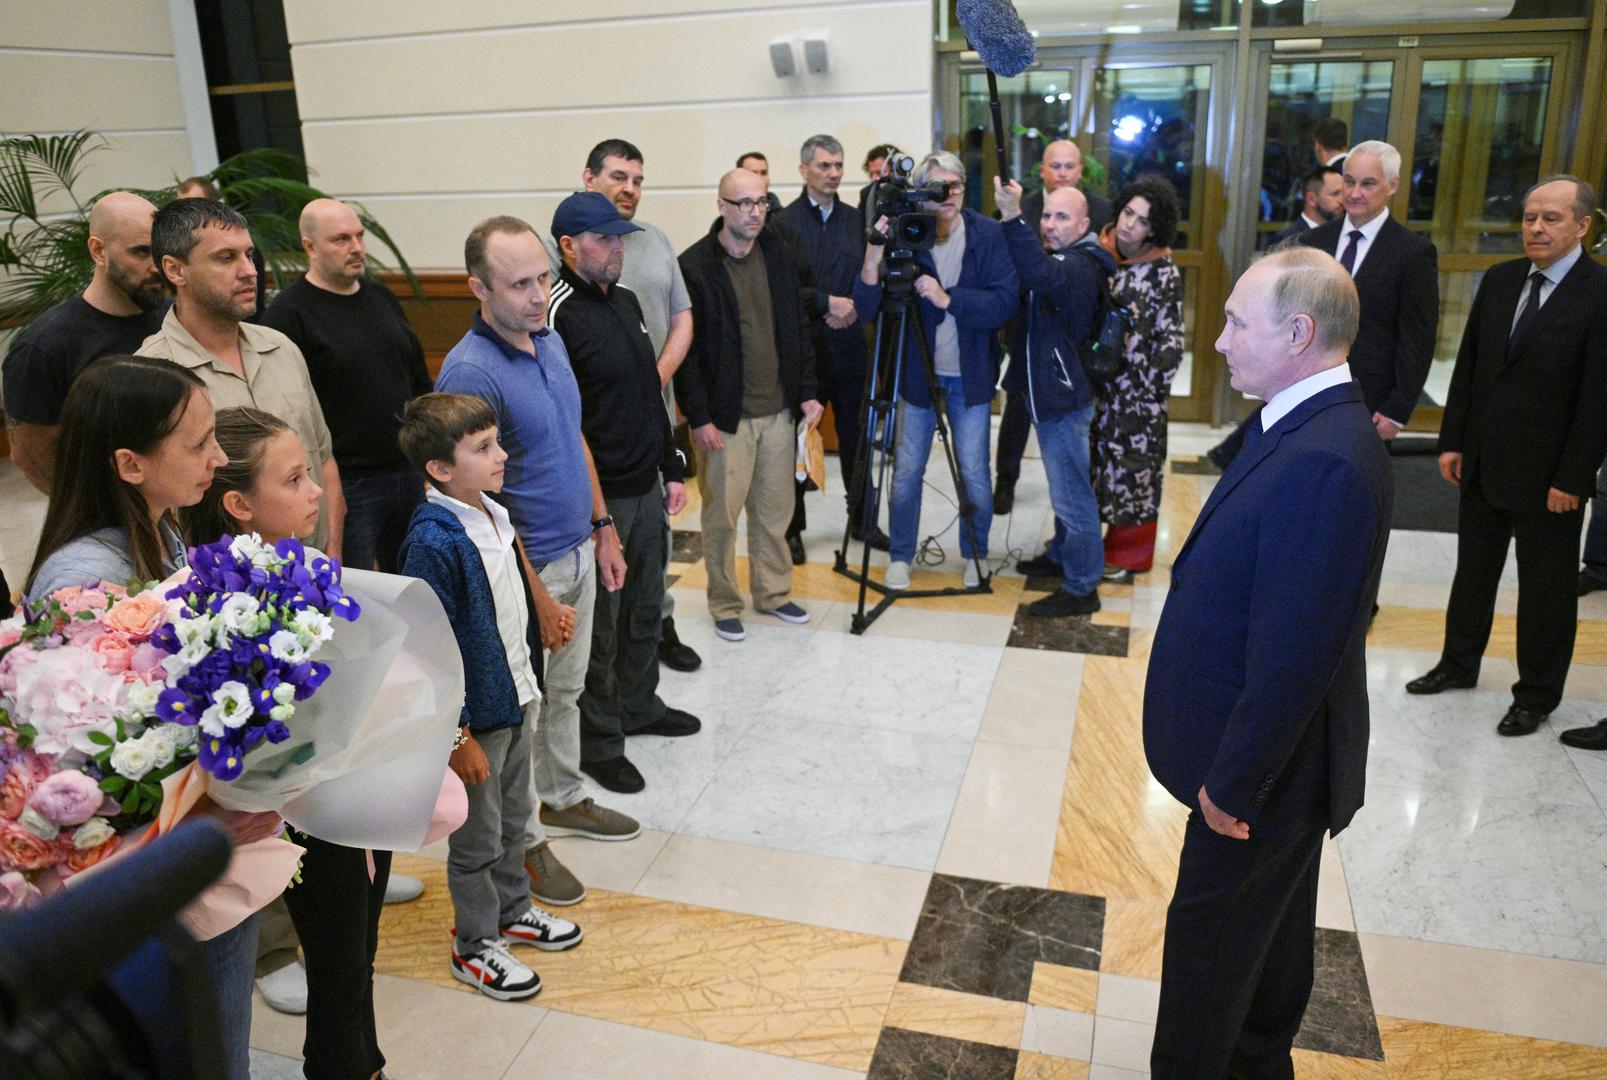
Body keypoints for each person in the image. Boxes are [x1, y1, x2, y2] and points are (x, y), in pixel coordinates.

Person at [1144, 247, 1391, 1078]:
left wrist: (1231, 787)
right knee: (1266, 946)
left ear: (1297, 331)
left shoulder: (1323, 458)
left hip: (1255, 785)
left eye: (1234, 323)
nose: (1215, 342)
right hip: (1264, 776)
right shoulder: (1298, 422)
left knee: (1207, 970)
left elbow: (1293, 656)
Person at [25, 354, 277, 1080]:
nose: (220, 458)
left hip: (196, 846)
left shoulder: (163, 532)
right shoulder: (81, 579)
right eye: (198, 445)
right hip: (143, 868)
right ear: (130, 464)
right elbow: (83, 772)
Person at [180, 406, 395, 1077]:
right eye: (295, 479)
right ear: (239, 504)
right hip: (293, 804)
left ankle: (364, 1056)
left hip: (344, 791)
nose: (315, 492)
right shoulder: (222, 600)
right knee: (337, 963)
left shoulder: (301, 566)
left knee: (357, 955)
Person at [434, 216, 639, 913]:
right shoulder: (470, 370)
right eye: (517, 283)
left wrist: (603, 527)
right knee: (518, 715)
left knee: (567, 691)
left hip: (577, 546)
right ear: (477, 286)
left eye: (542, 279)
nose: (534, 295)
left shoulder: (548, 339)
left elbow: (570, 435)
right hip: (524, 571)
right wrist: (539, 598)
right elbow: (479, 503)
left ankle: (564, 797)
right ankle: (522, 841)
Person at [1406, 176, 1607, 744]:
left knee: (1545, 591)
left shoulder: (1599, 294)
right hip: (1485, 461)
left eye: (1551, 218)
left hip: (1551, 478)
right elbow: (1469, 367)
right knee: (1473, 571)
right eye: (1528, 218)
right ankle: (1457, 663)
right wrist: (1452, 441)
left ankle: (1537, 694)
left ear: (1583, 226)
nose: (1536, 228)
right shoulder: (1499, 280)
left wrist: (1574, 477)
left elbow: (1598, 400)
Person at [398, 392, 584, 1004]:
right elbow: (427, 647)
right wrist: (457, 735)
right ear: (439, 470)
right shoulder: (433, 540)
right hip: (477, 718)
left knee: (512, 819)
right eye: (483, 449)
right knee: (476, 839)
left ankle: (512, 912)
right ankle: (474, 943)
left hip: (516, 692)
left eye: (497, 442)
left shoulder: (493, 513)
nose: (501, 455)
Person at [546, 192, 702, 795]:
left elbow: (648, 394)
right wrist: (599, 516)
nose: (616, 249)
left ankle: (641, 706)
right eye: (603, 239)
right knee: (601, 628)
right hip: (599, 499)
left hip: (645, 487)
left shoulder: (630, 302)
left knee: (643, 608)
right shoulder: (558, 313)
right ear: (568, 245)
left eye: (620, 239)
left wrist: (673, 467)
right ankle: (600, 741)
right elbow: (570, 424)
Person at [555, 138, 701, 675]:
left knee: (648, 572)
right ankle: (607, 724)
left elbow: (683, 317)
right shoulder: (558, 285)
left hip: (648, 437)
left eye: (638, 180)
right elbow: (566, 405)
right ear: (590, 177)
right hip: (602, 461)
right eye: (619, 177)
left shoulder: (646, 259)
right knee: (608, 598)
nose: (630, 189)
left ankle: (644, 689)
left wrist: (652, 385)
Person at [138, 198, 345, 555]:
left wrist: (332, 559)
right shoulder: (154, 375)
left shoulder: (281, 348)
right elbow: (153, 510)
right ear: (175, 270)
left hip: (310, 566)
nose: (249, 270)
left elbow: (322, 457)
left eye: (249, 255)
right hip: (222, 593)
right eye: (225, 258)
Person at [853, 151, 1017, 593]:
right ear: (922, 193)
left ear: (965, 190)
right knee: (906, 472)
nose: (947, 197)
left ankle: (975, 554)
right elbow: (866, 308)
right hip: (915, 376)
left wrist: (950, 299)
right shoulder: (907, 232)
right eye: (937, 189)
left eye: (956, 188)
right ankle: (902, 555)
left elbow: (1004, 302)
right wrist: (872, 256)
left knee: (975, 475)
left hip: (971, 376)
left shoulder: (987, 234)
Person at [676, 168, 824, 642]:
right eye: (744, 203)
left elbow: (797, 328)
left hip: (779, 411)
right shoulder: (695, 266)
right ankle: (723, 602)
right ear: (721, 206)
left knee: (775, 512)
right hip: (726, 419)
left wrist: (807, 391)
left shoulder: (778, 254)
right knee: (722, 518)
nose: (755, 212)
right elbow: (688, 353)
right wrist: (698, 418)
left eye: (761, 202)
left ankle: (774, 593)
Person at [262, 198, 432, 575]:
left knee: (418, 583)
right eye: (341, 239)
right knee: (353, 587)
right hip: (348, 483)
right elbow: (288, 412)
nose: (355, 247)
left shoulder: (382, 298)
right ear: (309, 247)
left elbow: (418, 381)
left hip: (408, 470)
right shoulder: (288, 316)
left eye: (358, 236)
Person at [993, 179, 1113, 616]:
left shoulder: (1080, 264)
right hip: (1052, 394)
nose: (1049, 224)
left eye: (1061, 217)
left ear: (1084, 224)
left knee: (1071, 495)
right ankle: (1061, 556)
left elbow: (1043, 277)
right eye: (1045, 215)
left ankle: (1082, 587)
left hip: (1064, 399)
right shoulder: (1066, 257)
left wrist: (1010, 217)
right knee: (1065, 485)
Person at [3, 191, 167, 493]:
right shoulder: (45, 345)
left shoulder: (176, 318)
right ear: (98, 251)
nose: (157, 265)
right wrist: (94, 516)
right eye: (141, 252)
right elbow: (32, 454)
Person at [779, 134, 890, 556]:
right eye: (824, 166)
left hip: (849, 346)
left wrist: (849, 309)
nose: (833, 173)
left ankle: (863, 521)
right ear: (804, 169)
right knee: (801, 439)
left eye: (839, 165)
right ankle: (792, 528)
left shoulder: (855, 220)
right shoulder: (783, 225)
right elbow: (784, 289)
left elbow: (867, 274)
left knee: (857, 437)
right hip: (805, 351)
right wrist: (826, 303)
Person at [995, 140, 1112, 515]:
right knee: (1017, 415)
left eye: (1070, 166)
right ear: (1042, 170)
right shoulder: (1026, 204)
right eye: (1055, 165)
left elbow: (1055, 273)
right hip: (1027, 333)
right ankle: (1005, 484)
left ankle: (1077, 568)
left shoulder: (1093, 218)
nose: (1049, 225)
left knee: (1069, 475)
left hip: (1067, 346)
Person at [1297, 140, 1439, 441]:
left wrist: (1397, 410)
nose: (1354, 193)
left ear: (1392, 185)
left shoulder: (1413, 253)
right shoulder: (1312, 242)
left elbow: (1417, 338)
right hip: (1305, 392)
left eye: (1368, 183)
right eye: (1349, 182)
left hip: (1369, 401)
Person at [1093, 176, 1186, 582]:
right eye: (1128, 213)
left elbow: (1171, 339)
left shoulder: (1163, 271)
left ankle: (1128, 555)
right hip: (1095, 386)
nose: (1130, 225)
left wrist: (1143, 384)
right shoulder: (1097, 253)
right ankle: (1082, 541)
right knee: (1095, 467)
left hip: (1137, 394)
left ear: (1156, 228)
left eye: (1143, 221)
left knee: (1134, 473)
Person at [175, 175, 268, 323]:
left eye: (193, 207)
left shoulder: (241, 243)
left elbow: (251, 306)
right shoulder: (181, 248)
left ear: (215, 205)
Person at [1271, 165, 1343, 244]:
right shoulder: (1287, 240)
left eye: (1343, 193)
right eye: (1335, 194)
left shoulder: (1344, 236)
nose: (1342, 200)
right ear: (1311, 199)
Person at [736, 151, 786, 216]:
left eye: (763, 173)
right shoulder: (729, 219)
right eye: (753, 173)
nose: (760, 179)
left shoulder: (781, 219)